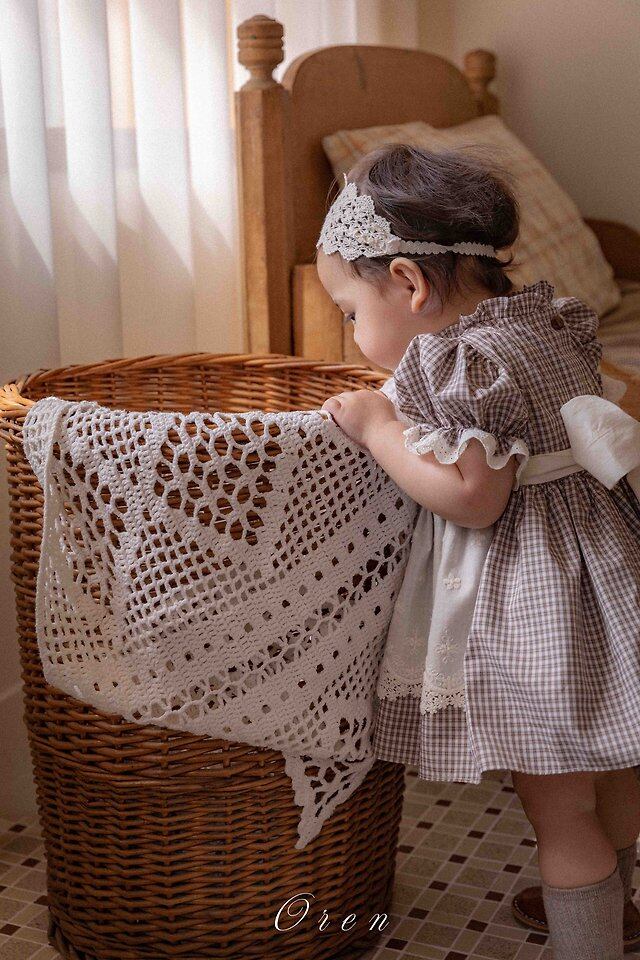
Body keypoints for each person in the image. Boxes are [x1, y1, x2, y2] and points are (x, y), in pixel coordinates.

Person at [315, 142, 640, 960]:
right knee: (615, 770)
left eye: (350, 312)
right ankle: (617, 905)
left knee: (562, 812)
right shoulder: (542, 322)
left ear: (409, 284)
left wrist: (379, 429)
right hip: (608, 574)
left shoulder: (452, 361)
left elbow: (474, 494)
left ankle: (589, 936)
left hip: (544, 606)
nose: (352, 333)